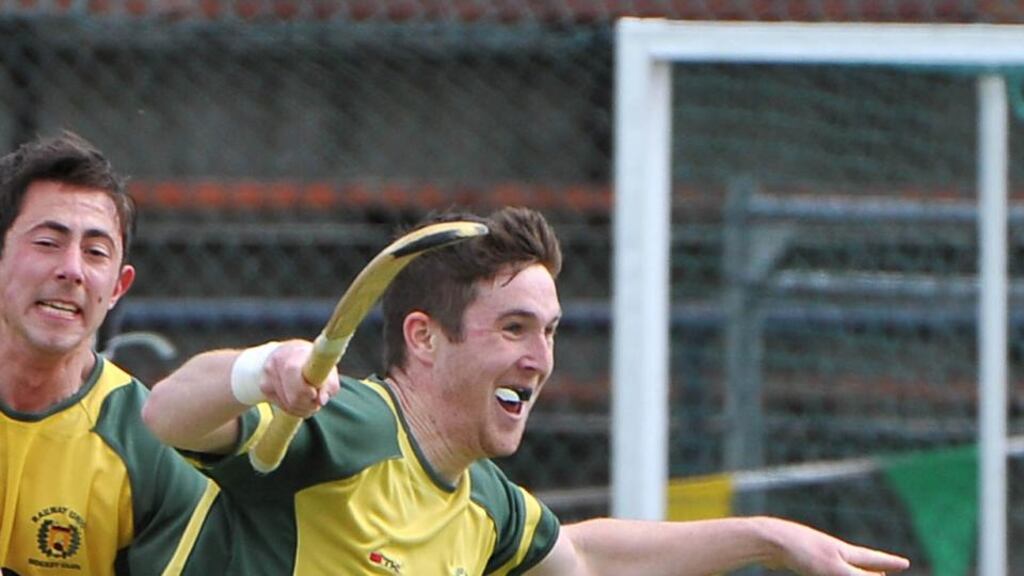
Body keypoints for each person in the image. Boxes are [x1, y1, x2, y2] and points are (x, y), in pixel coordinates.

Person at [143, 207, 911, 575]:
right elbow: (167, 415)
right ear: (423, 337)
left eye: (549, 331)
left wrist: (769, 539)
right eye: (515, 328)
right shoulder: (350, 424)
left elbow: (589, 559)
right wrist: (263, 368)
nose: (540, 359)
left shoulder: (485, 503)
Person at [0, 131, 215, 575]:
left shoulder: (149, 448)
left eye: (96, 252)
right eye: (47, 242)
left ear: (118, 288)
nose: (72, 270)